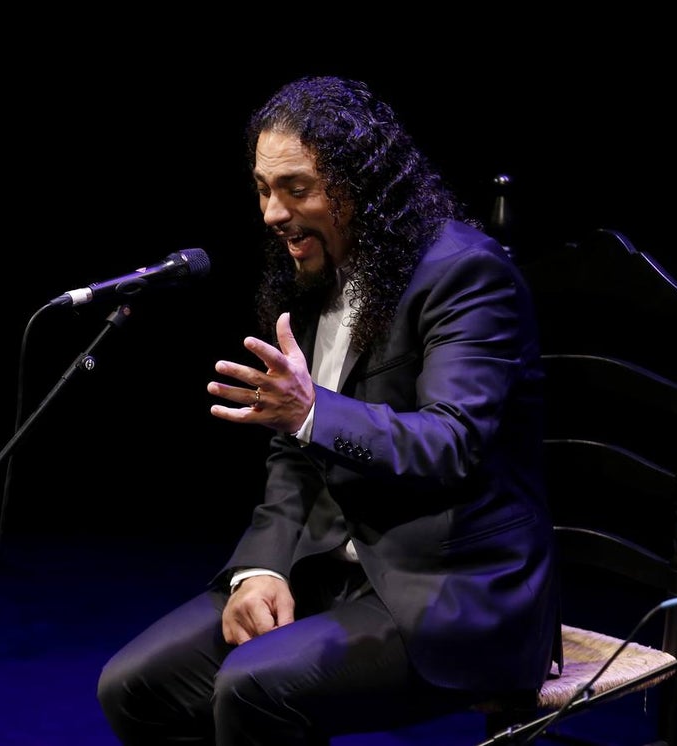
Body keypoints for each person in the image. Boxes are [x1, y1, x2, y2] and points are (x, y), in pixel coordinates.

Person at [96, 75, 562, 745]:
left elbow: (451, 442)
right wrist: (263, 568)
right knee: (135, 687)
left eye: (296, 188)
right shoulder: (320, 273)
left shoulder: (464, 274)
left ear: (362, 184)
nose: (272, 213)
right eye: (262, 188)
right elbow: (293, 454)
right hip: (334, 570)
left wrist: (312, 413)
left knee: (255, 687)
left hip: (455, 589)